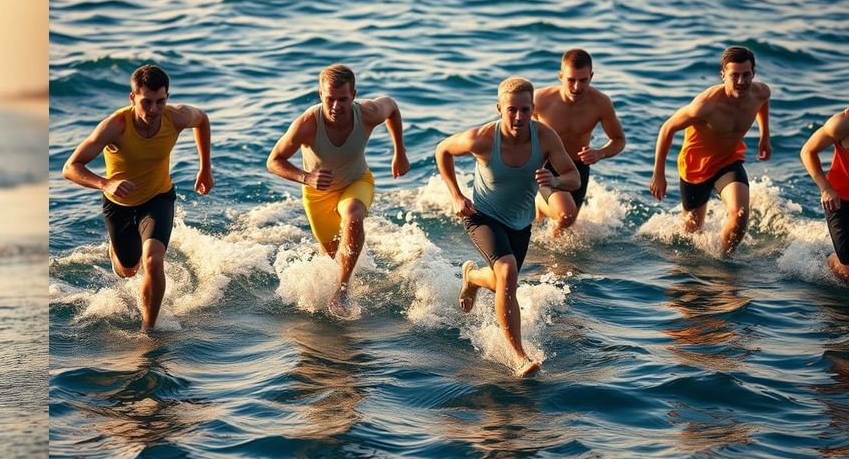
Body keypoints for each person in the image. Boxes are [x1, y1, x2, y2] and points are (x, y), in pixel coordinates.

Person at [437, 76, 578, 376]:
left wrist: (555, 181)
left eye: (525, 110)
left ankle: (473, 277)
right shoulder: (483, 138)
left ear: (533, 109)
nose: (518, 116)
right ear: (499, 107)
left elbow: (573, 177)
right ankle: (519, 357)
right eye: (512, 109)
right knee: (507, 271)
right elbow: (442, 151)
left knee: (505, 281)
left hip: (520, 223)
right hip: (481, 215)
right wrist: (456, 195)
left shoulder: (546, 137)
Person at [61, 64, 212, 331]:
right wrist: (105, 183)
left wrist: (205, 168)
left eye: (160, 101)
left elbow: (202, 120)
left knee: (153, 259)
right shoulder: (115, 126)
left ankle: (147, 331)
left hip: (159, 198)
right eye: (146, 102)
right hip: (119, 205)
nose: (153, 110)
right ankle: (120, 254)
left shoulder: (175, 117)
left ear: (167, 97)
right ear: (133, 98)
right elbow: (70, 167)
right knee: (128, 270)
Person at [265, 64, 408, 309]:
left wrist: (400, 152)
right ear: (321, 94)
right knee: (331, 257)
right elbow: (274, 161)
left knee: (353, 217)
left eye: (342, 99)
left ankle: (342, 291)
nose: (335, 106)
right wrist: (305, 177)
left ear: (353, 95)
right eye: (329, 99)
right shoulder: (307, 123)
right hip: (317, 193)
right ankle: (339, 283)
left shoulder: (367, 113)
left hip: (356, 181)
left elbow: (392, 107)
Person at [648, 44, 772, 255]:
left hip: (728, 160)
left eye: (746, 75)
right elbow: (667, 129)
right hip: (696, 168)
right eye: (735, 75)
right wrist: (658, 174)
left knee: (740, 214)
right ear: (723, 75)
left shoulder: (760, 92)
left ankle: (723, 261)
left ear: (754, 73)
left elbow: (763, 104)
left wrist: (764, 137)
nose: (741, 82)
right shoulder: (705, 105)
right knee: (692, 229)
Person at [531, 47, 627, 230]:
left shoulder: (600, 103)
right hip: (547, 166)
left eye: (583, 80)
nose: (577, 87)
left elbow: (618, 139)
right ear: (560, 76)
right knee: (564, 216)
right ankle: (538, 202)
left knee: (565, 226)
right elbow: (513, 129)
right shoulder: (541, 99)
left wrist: (600, 153)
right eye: (571, 80)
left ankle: (547, 258)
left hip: (578, 168)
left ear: (591, 76)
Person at [799, 111, 849, 284]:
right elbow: (808, 152)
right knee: (847, 270)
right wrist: (826, 189)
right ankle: (830, 259)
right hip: (840, 199)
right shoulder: (842, 124)